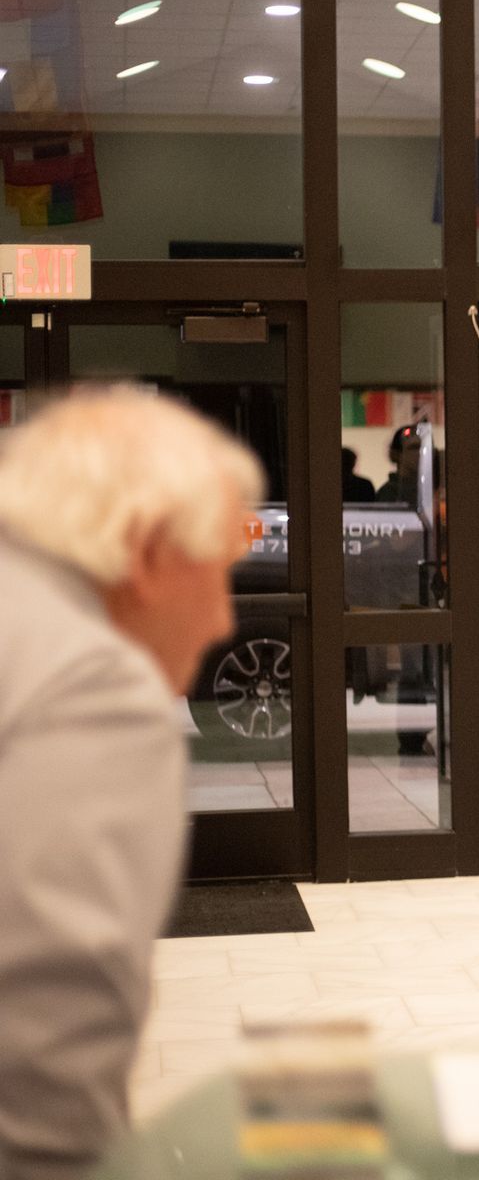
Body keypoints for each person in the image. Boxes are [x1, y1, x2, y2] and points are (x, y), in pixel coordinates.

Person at [0, 388, 262, 1180]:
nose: (222, 620)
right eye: (217, 569)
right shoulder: (92, 688)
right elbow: (44, 1053)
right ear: (147, 551)